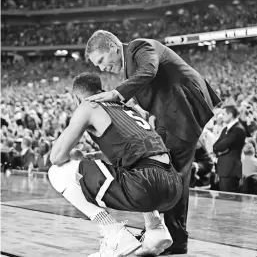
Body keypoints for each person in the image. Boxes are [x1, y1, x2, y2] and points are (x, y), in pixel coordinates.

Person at [85, 30, 220, 255]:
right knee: (170, 172)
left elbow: (149, 70)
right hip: (173, 116)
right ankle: (165, 235)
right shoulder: (130, 67)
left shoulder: (139, 47)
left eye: (101, 60)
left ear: (113, 48)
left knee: (172, 173)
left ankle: (173, 239)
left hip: (184, 111)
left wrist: (117, 94)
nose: (101, 68)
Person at [48, 73, 183, 257]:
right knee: (130, 165)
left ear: (76, 97)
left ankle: (114, 234)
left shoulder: (89, 105)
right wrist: (91, 156)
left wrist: (75, 155)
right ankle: (155, 228)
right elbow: (132, 149)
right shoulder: (126, 104)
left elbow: (56, 157)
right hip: (173, 184)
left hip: (145, 185)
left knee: (56, 172)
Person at [213, 105, 246, 193]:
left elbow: (221, 146)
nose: (222, 116)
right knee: (223, 199)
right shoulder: (226, 129)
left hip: (231, 170)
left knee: (228, 201)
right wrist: (219, 150)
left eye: (223, 114)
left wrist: (219, 150)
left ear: (230, 115)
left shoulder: (238, 129)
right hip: (224, 169)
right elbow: (215, 147)